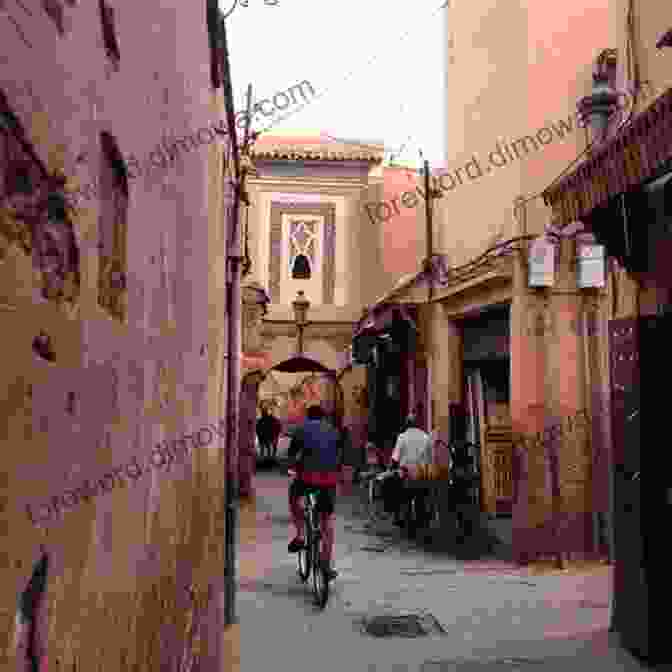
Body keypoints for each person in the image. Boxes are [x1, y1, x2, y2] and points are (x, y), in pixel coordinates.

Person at [287, 404, 343, 581]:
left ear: (308, 416)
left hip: (307, 478)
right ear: (324, 417)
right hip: (329, 480)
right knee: (327, 520)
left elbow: (292, 454)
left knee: (294, 495)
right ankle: (326, 565)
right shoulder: (333, 430)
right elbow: (340, 454)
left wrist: (292, 466)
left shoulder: (301, 429)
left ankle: (301, 535)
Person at [383, 415, 433, 534]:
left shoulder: (402, 437)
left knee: (395, 491)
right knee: (422, 497)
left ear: (406, 424)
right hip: (422, 474)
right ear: (418, 424)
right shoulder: (426, 437)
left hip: (405, 474)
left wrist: (389, 470)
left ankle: (397, 515)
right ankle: (423, 520)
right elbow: (430, 458)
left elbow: (395, 458)